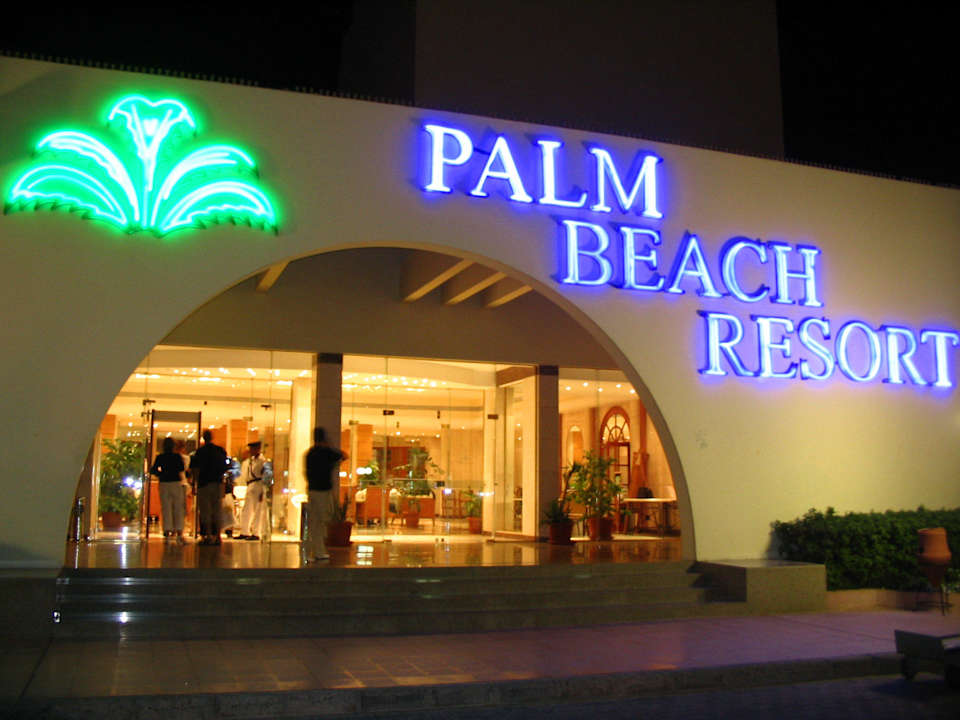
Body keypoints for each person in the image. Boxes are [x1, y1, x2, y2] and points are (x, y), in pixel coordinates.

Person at [302, 427, 348, 563]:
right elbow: (344, 455)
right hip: (323, 491)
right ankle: (319, 551)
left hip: (312, 490)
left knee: (313, 521)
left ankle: (310, 552)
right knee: (321, 522)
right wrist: (330, 446)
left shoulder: (309, 453)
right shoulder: (327, 452)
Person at [190, 430, 228, 545]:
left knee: (205, 510)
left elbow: (195, 469)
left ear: (203, 438)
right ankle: (218, 536)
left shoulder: (200, 452)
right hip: (217, 483)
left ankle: (207, 535)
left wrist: (194, 483)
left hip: (204, 484)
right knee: (217, 510)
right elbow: (225, 468)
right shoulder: (220, 451)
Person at [149, 437, 187, 544]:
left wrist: (161, 474)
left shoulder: (160, 457)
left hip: (164, 482)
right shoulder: (177, 457)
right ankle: (179, 530)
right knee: (178, 507)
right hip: (176, 482)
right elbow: (181, 468)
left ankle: (167, 530)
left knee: (166, 507)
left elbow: (153, 470)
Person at [237, 440, 267, 540]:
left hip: (258, 484)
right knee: (247, 509)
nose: (250, 451)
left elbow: (265, 476)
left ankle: (256, 532)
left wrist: (263, 490)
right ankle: (244, 531)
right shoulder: (251, 460)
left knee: (258, 510)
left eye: (252, 448)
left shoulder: (262, 461)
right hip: (250, 484)